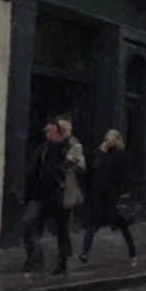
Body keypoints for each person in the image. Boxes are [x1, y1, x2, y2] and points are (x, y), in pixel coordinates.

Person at [23, 116, 83, 275]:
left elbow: (80, 167)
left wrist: (66, 165)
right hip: (42, 195)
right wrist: (28, 195)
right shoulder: (43, 149)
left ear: (58, 131)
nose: (48, 134)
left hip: (60, 196)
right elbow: (34, 172)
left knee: (62, 231)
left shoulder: (68, 148)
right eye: (46, 132)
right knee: (30, 223)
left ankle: (61, 264)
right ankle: (34, 260)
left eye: (51, 131)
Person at [80, 129, 138, 266]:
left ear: (116, 140)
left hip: (112, 198)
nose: (107, 142)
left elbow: (128, 176)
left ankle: (133, 252)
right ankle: (84, 252)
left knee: (122, 226)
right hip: (98, 197)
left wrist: (120, 191)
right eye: (106, 139)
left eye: (110, 139)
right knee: (92, 224)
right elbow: (91, 172)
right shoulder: (98, 154)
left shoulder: (121, 155)